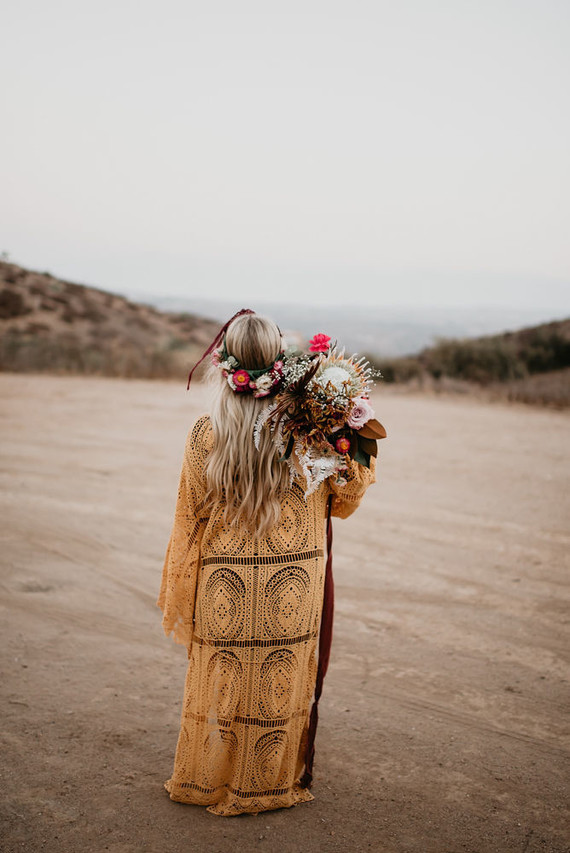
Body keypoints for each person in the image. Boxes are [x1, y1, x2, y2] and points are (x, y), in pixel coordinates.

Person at [157, 311, 377, 816]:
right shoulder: (314, 430)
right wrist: (350, 443)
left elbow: (189, 516)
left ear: (223, 365)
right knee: (277, 685)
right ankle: (265, 781)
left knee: (227, 683)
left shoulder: (204, 433)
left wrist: (184, 587)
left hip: (223, 580)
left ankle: (213, 776)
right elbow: (344, 501)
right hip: (293, 580)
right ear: (282, 363)